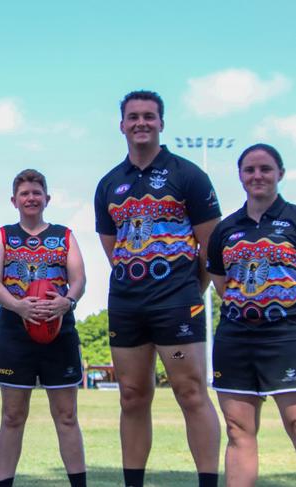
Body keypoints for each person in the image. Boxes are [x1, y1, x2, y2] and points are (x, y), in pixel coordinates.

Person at [94, 90, 222, 487]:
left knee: (190, 392)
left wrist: (188, 292)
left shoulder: (189, 175)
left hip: (177, 302)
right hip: (127, 304)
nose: (141, 123)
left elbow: (211, 248)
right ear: (121, 125)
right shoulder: (109, 184)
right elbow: (114, 250)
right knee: (131, 395)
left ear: (162, 123)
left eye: (149, 116)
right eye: (133, 117)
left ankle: (207, 482)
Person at [0, 169, 87, 487]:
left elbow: (79, 279)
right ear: (14, 200)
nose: (31, 198)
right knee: (13, 416)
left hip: (59, 331)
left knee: (67, 416)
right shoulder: (2, 235)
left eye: (36, 193)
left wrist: (67, 301)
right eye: (25, 193)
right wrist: (18, 306)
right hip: (16, 333)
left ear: (47, 199)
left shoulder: (64, 235)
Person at [207, 143, 296, 486]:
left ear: (280, 174)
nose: (257, 176)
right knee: (238, 429)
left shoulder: (292, 219)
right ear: (241, 176)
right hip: (236, 337)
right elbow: (220, 284)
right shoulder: (226, 229)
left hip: (287, 335)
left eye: (265, 169)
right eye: (250, 170)